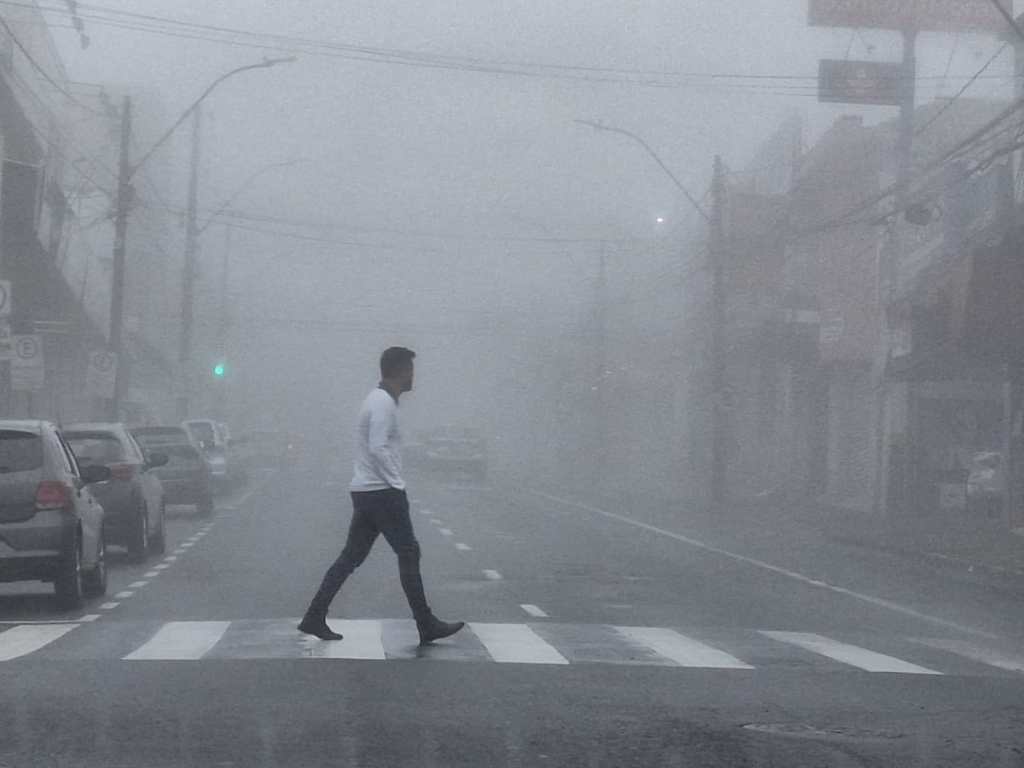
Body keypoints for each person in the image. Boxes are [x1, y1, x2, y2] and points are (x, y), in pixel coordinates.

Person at [298, 347, 465, 645]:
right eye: (410, 369)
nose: (414, 376)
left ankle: (314, 615)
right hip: (381, 493)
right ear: (398, 370)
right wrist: (396, 483)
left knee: (351, 557)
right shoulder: (382, 404)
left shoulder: (379, 401)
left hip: (367, 491)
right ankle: (425, 623)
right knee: (409, 552)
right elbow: (377, 447)